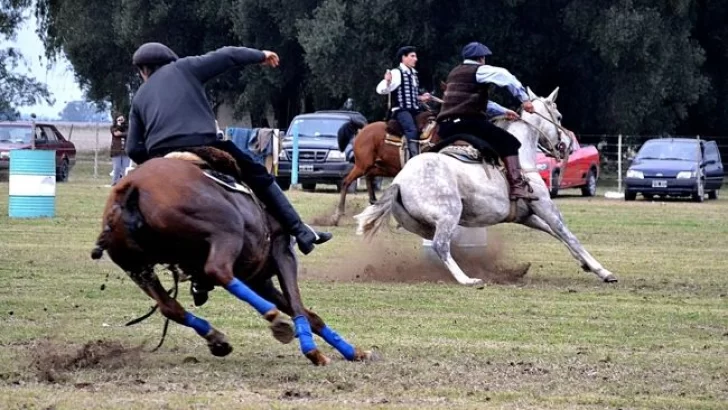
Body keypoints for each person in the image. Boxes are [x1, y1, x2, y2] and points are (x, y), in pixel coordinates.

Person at [125, 42, 332, 255]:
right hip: (203, 145)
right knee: (258, 174)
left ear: (143, 71)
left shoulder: (139, 98)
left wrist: (156, 160)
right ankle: (301, 231)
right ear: (170, 61)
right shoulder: (185, 67)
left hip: (161, 156)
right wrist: (261, 54)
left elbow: (133, 149)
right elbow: (228, 55)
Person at [436, 41, 538, 201]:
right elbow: (505, 76)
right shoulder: (478, 70)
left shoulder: (454, 73)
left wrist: (504, 111)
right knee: (510, 142)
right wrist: (524, 99)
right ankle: (517, 186)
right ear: (481, 58)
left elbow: (479, 103)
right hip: (467, 123)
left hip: (445, 127)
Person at [375, 46, 432, 160]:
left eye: (415, 56)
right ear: (403, 58)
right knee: (411, 130)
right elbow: (381, 90)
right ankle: (414, 159)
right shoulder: (396, 72)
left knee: (430, 121)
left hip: (415, 110)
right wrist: (387, 81)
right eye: (412, 56)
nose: (415, 59)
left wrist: (421, 98)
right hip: (401, 110)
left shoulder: (413, 74)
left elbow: (410, 94)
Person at [110, 114, 130, 186]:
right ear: (116, 120)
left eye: (122, 120)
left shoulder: (128, 127)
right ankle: (115, 183)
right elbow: (116, 133)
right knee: (117, 168)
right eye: (119, 120)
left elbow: (129, 134)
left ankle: (125, 183)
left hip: (125, 151)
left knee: (125, 169)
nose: (121, 121)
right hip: (116, 151)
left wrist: (121, 133)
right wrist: (118, 126)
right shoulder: (113, 127)